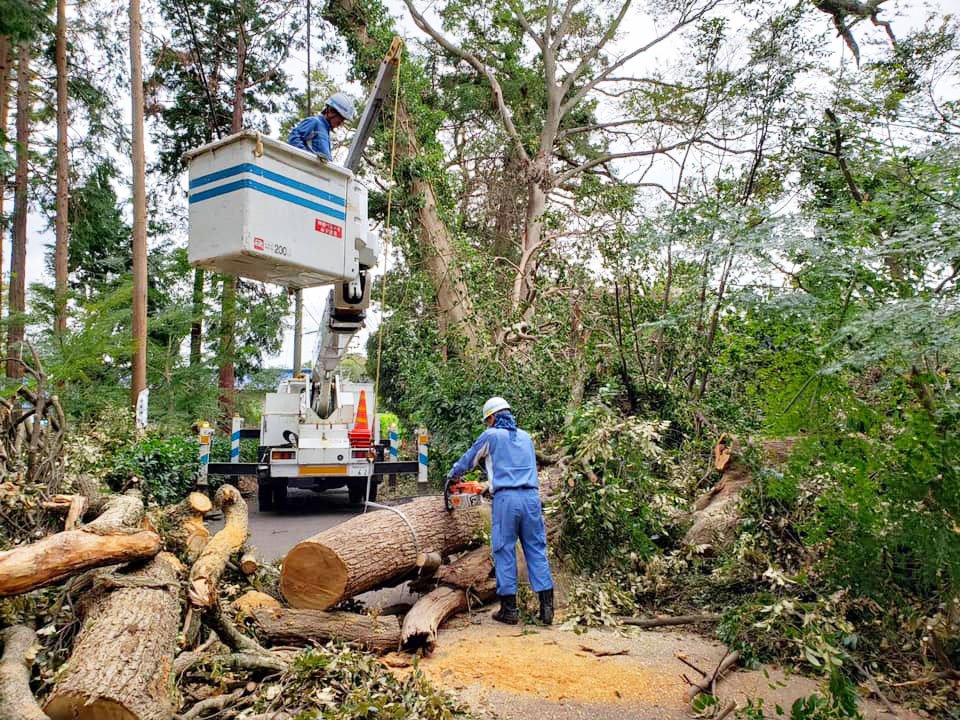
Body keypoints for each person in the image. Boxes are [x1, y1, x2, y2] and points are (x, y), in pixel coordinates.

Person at [447, 397, 554, 625]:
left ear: (493, 418)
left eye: (488, 420)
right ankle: (547, 609)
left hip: (507, 500)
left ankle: (509, 610)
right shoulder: (525, 437)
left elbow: (469, 459)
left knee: (504, 550)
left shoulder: (491, 435)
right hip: (531, 498)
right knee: (536, 549)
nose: (488, 424)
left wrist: (453, 476)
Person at [287, 92, 356, 161]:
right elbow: (294, 138)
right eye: (340, 119)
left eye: (343, 120)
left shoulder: (326, 132)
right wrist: (307, 159)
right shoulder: (314, 122)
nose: (341, 123)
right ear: (330, 111)